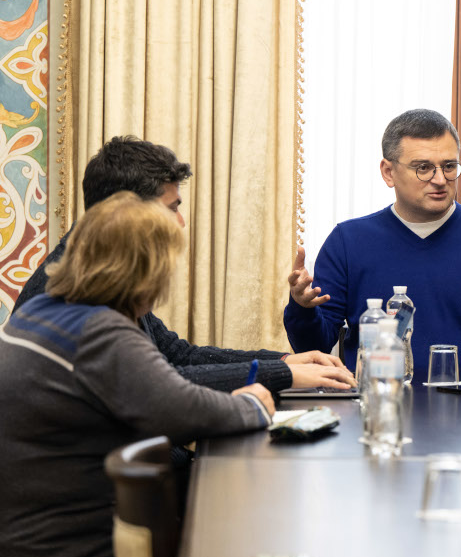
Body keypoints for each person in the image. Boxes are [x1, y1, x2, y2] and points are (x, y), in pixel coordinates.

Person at [0, 192, 276, 557]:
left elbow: (167, 381)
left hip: (21, 551)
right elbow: (179, 410)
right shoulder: (101, 331)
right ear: (146, 269)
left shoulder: (44, 310)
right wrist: (254, 404)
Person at [13, 135, 355, 393]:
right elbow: (158, 382)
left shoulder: (103, 264)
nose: (180, 223)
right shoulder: (72, 287)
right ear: (128, 212)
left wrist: (282, 361)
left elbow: (174, 354)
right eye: (171, 208)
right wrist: (284, 375)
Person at [283, 109, 461, 379]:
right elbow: (314, 349)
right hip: (376, 404)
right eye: (423, 167)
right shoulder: (346, 241)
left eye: (449, 166)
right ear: (388, 172)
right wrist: (301, 307)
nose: (439, 179)